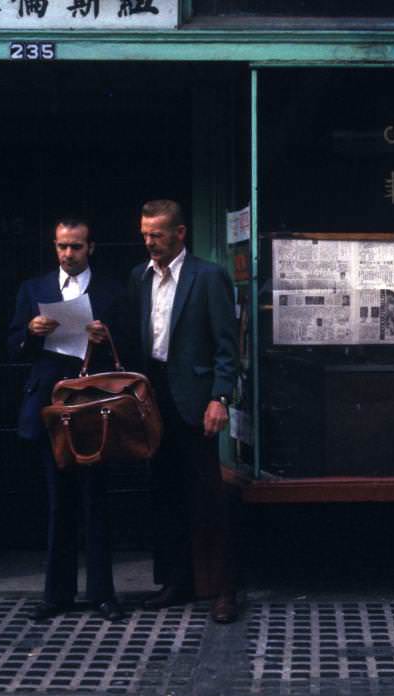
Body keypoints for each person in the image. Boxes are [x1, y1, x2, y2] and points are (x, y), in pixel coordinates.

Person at [8, 217, 126, 623]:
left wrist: (105, 338)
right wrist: (31, 330)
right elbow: (13, 347)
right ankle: (56, 594)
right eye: (61, 246)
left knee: (96, 499)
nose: (68, 254)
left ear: (90, 247)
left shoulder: (112, 290)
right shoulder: (34, 289)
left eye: (75, 247)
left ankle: (102, 594)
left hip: (93, 406)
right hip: (50, 406)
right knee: (58, 502)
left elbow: (132, 349)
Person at [129, 199, 239, 623]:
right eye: (144, 235)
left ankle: (224, 590)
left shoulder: (208, 277)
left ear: (180, 234)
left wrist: (220, 397)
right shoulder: (139, 277)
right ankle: (177, 583)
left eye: (156, 234)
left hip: (195, 399)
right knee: (165, 494)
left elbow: (228, 346)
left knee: (209, 498)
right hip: (152, 398)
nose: (149, 242)